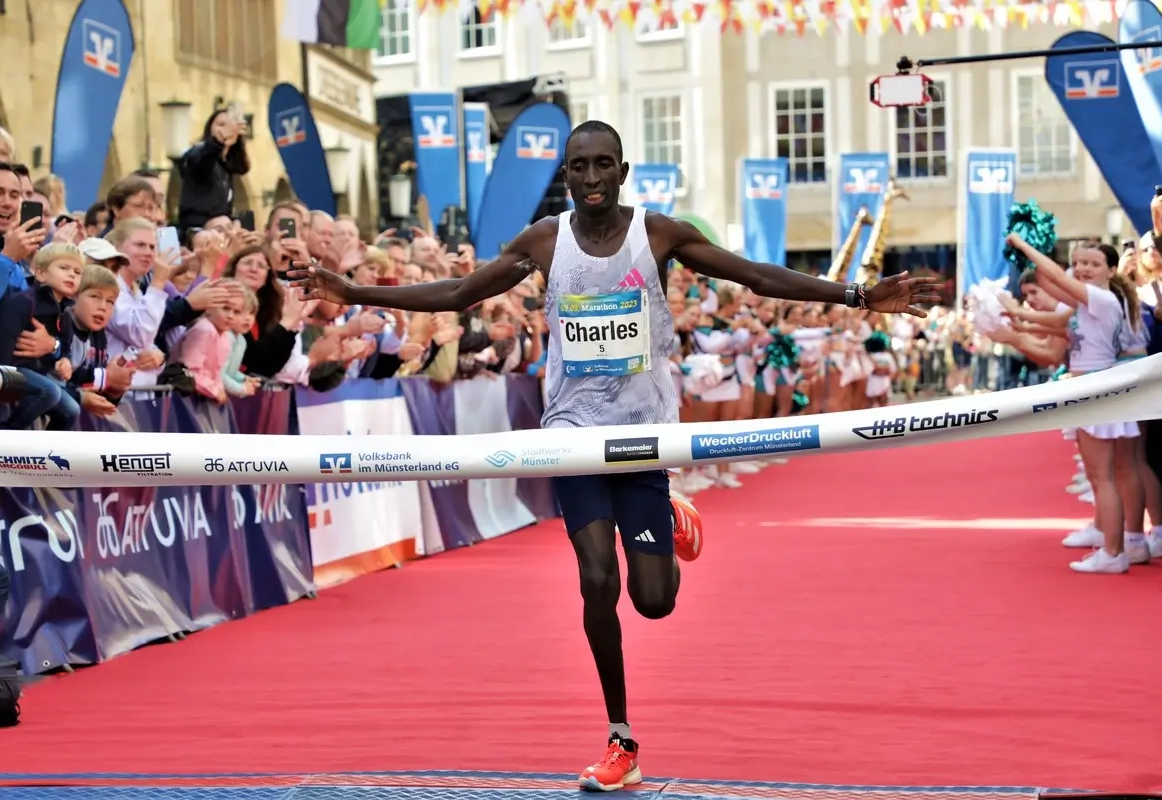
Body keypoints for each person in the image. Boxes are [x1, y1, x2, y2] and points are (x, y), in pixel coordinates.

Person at [289, 120, 941, 793]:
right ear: (566, 176)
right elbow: (458, 294)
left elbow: (752, 275)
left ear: (623, 172)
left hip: (644, 436)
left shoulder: (656, 235)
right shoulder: (545, 241)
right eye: (580, 167)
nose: (593, 178)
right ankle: (621, 739)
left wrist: (857, 296)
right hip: (573, 433)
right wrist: (353, 292)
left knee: (653, 601)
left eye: (604, 165)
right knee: (597, 578)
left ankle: (670, 517)